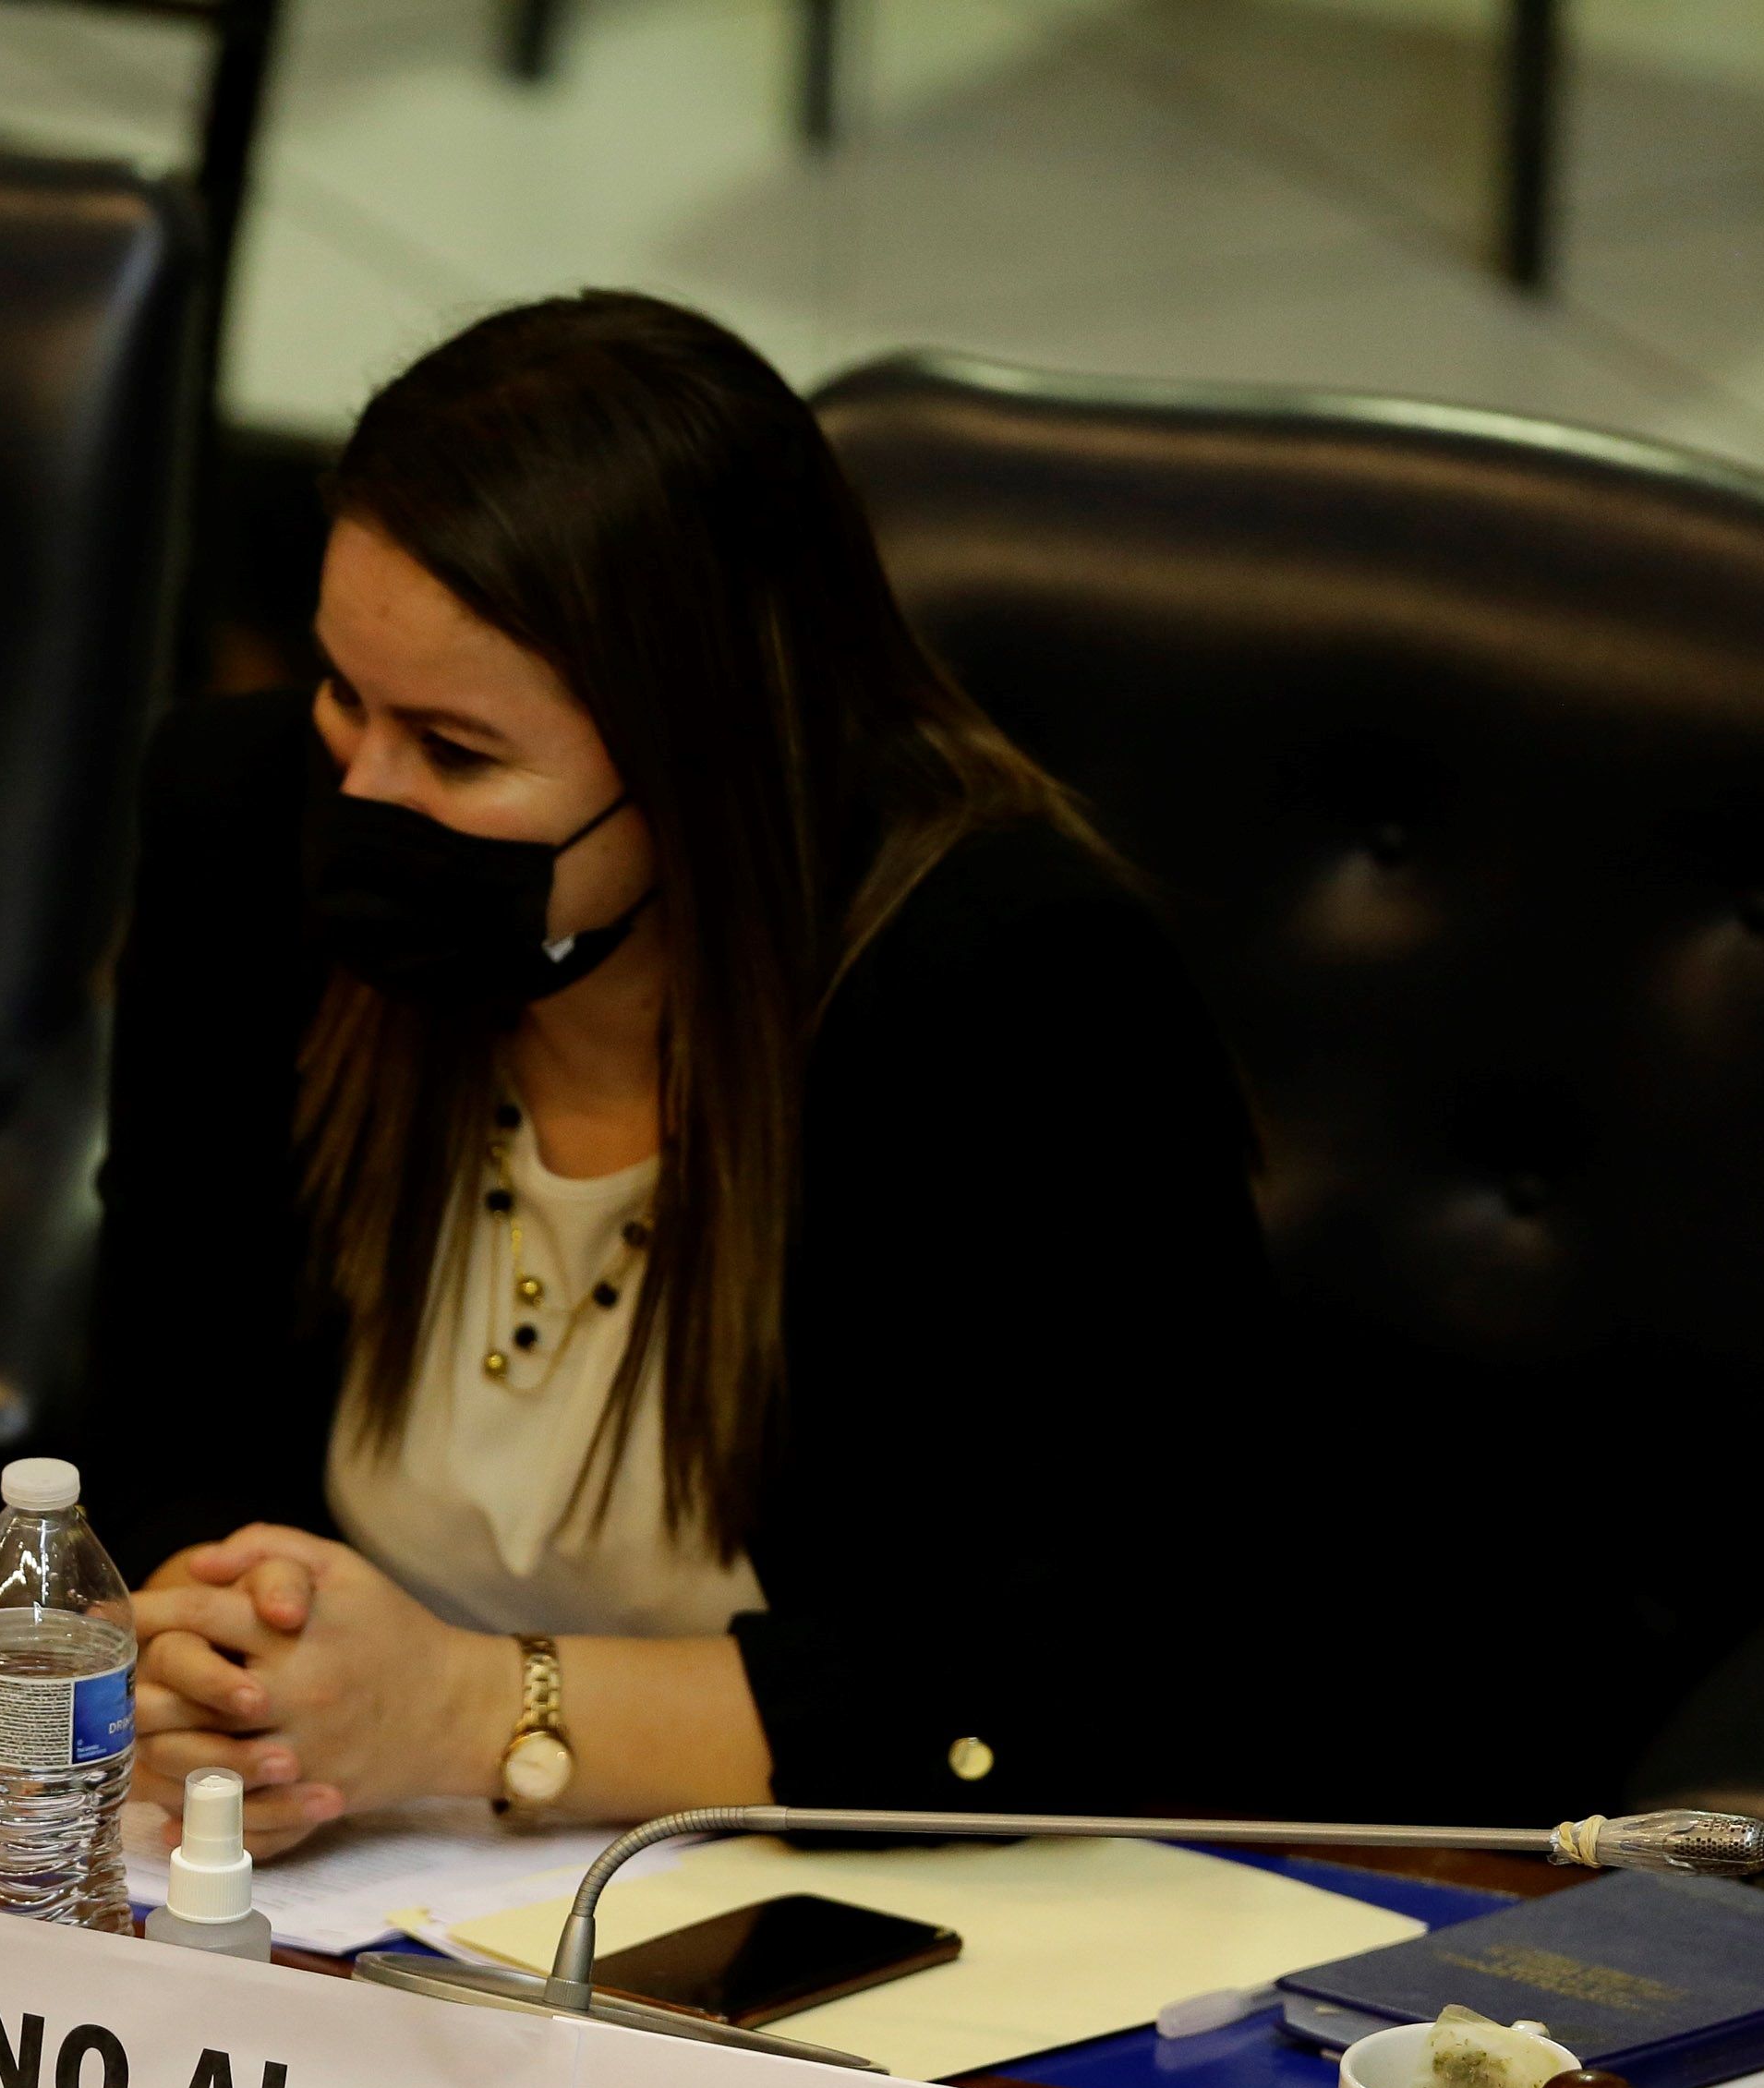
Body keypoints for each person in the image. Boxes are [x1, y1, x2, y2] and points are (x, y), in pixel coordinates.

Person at [90, 293, 1292, 1858]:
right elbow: (163, 1408)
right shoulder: (243, 822)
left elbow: (1086, 1677)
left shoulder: (1009, 994)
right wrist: (223, 1660)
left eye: (456, 752)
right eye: (341, 695)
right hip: (347, 1866)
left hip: (853, 1887)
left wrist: (468, 1710)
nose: (358, 798)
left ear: (701, 766)